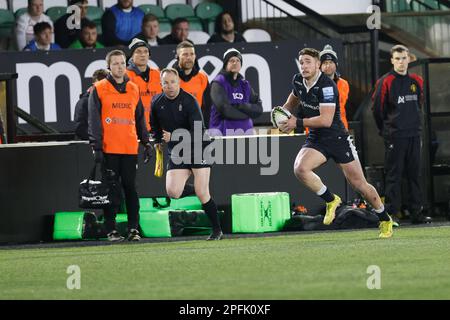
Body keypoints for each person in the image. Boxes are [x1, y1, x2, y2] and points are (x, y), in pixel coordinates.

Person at [277, 47, 393, 238]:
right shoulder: (298, 80)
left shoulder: (327, 86)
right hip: (317, 137)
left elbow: (326, 120)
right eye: (302, 62)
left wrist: (295, 122)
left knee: (359, 185)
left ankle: (384, 218)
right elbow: (293, 99)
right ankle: (331, 200)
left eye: (308, 62)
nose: (304, 66)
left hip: (338, 138)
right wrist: (283, 112)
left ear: (318, 65)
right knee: (300, 169)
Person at [150, 68, 223, 240]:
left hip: (199, 147)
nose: (170, 86)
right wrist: (157, 142)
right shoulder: (156, 102)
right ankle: (198, 189)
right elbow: (154, 128)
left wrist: (173, 136)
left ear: (179, 82)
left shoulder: (189, 101)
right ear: (161, 85)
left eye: (173, 82)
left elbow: (199, 130)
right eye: (166, 83)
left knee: (203, 193)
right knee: (173, 192)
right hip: (177, 150)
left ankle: (217, 230)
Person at [88, 49, 153, 242]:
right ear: (108, 66)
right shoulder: (99, 89)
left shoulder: (133, 88)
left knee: (131, 189)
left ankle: (133, 228)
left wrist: (146, 142)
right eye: (115, 63)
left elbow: (140, 118)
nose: (119, 67)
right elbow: (93, 121)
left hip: (129, 148)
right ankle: (111, 229)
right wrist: (97, 147)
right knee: (111, 190)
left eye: (122, 63)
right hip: (109, 149)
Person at [372, 44, 432, 224]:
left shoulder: (417, 81)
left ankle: (416, 213)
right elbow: (377, 110)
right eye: (397, 58)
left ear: (409, 59)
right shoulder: (385, 81)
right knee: (393, 175)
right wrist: (387, 130)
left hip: (414, 134)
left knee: (414, 174)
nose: (401, 62)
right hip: (395, 136)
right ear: (392, 60)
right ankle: (391, 214)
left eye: (404, 58)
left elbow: (419, 104)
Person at [209, 48, 263, 135]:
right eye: (231, 60)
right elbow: (225, 110)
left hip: (245, 133)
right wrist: (248, 114)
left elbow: (259, 109)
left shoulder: (245, 84)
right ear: (225, 64)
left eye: (238, 60)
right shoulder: (218, 82)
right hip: (222, 133)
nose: (235, 62)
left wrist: (239, 106)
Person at [171, 41, 210, 126]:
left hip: (196, 128)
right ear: (177, 57)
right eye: (185, 54)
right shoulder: (169, 78)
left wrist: (204, 128)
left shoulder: (202, 78)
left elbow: (207, 107)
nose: (189, 57)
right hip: (174, 129)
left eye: (192, 54)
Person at [126, 38, 162, 131]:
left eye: (146, 51)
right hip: (134, 129)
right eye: (138, 51)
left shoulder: (158, 74)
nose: (143, 54)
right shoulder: (125, 76)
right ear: (132, 55)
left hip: (156, 128)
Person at [319, 45, 350, 130]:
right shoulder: (313, 84)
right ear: (320, 66)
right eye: (325, 63)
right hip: (319, 130)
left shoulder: (344, 84)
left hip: (340, 128)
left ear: (336, 64)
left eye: (331, 62)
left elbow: (341, 106)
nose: (328, 65)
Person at [74, 68, 109, 140]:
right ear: (94, 84)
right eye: (102, 85)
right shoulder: (84, 103)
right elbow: (80, 130)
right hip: (88, 148)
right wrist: (99, 139)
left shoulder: (110, 102)